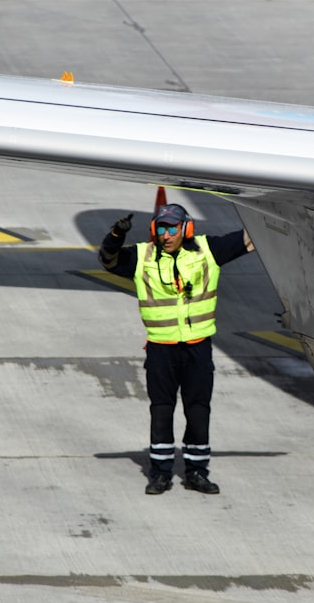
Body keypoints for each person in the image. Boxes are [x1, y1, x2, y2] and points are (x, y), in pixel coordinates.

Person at [98, 203, 254, 495]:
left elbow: (253, 238)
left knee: (197, 410)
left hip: (198, 348)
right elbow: (108, 260)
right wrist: (116, 235)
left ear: (187, 229)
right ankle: (160, 473)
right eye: (161, 229)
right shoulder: (143, 256)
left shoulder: (208, 250)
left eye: (172, 229)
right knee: (161, 410)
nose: (166, 235)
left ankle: (196, 472)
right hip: (161, 349)